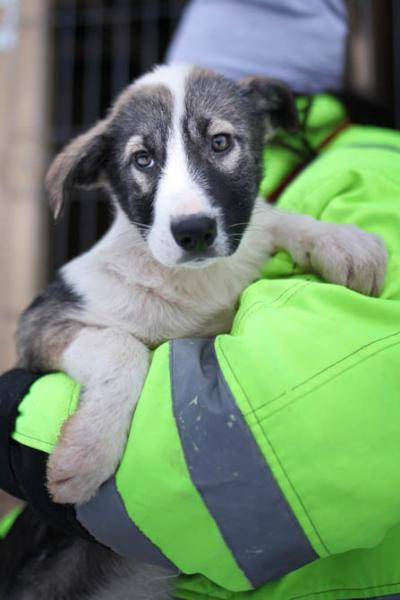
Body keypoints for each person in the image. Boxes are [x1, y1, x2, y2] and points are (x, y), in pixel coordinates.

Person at [2, 1, 400, 598]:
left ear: (272, 117)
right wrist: (115, 371)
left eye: (218, 142)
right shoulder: (105, 277)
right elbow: (44, 327)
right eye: (144, 159)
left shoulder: (363, 172)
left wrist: (302, 232)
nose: (188, 206)